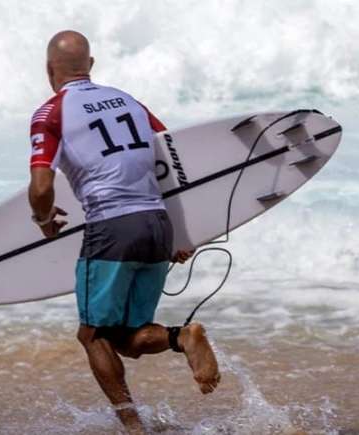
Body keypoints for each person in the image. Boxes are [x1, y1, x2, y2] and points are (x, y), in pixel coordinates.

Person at [27, 30, 221, 433]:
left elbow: (42, 187)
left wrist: (44, 222)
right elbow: (172, 159)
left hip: (111, 228)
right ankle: (181, 337)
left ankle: (132, 426)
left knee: (92, 335)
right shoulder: (130, 102)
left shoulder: (51, 113)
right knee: (126, 339)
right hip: (156, 223)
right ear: (91, 65)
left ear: (49, 71)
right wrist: (182, 234)